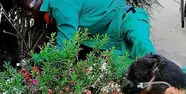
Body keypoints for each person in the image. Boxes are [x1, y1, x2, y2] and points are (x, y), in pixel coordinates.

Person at [19, 0, 156, 60]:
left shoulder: (61, 5)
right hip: (106, 40)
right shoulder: (54, 6)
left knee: (149, 59)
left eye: (30, 9)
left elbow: (66, 49)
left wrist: (36, 58)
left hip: (127, 21)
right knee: (129, 77)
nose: (31, 14)